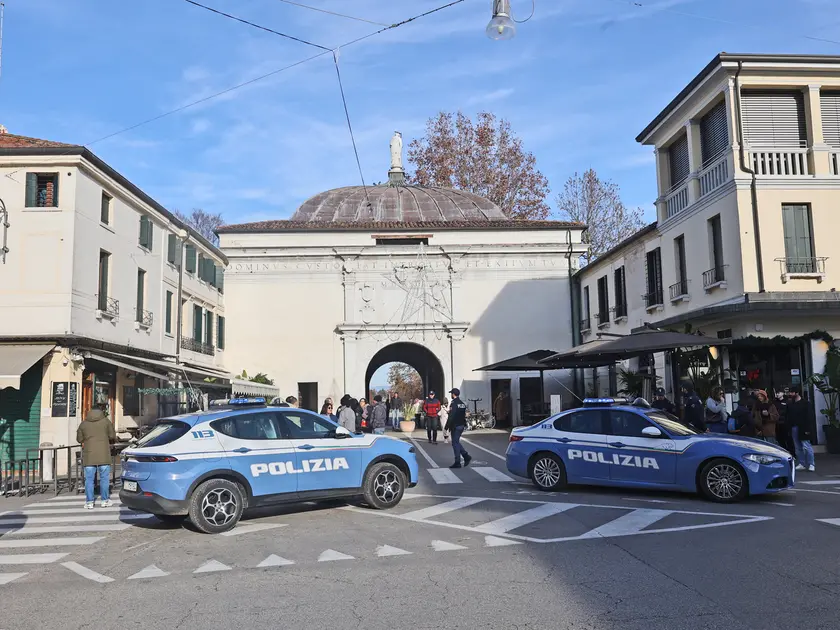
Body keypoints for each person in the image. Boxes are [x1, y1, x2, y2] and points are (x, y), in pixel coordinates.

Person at [76, 404, 116, 509]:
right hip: (104, 454)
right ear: (101, 411)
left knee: (89, 480)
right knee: (104, 478)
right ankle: (105, 500)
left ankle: (89, 502)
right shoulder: (106, 422)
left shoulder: (83, 424)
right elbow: (112, 436)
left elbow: (79, 439)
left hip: (89, 455)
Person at [788, 387, 815, 472]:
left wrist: (808, 429)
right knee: (797, 447)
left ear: (797, 393)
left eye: (792, 392)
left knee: (806, 446)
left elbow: (809, 417)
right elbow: (788, 417)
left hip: (803, 427)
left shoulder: (806, 403)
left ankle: (811, 464)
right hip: (794, 427)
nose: (790, 394)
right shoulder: (791, 404)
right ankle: (802, 463)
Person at [445, 388, 471, 469]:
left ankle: (458, 461)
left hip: (455, 426)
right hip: (461, 425)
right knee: (456, 442)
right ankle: (465, 456)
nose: (451, 395)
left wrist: (446, 427)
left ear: (453, 394)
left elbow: (451, 416)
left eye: (451, 393)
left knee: (455, 443)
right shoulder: (462, 403)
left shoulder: (454, 403)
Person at [773, 389, 792, 453]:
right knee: (780, 440)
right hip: (777, 424)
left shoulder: (788, 402)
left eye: (779, 392)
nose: (777, 394)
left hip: (785, 423)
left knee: (788, 439)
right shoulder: (775, 402)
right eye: (777, 393)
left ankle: (792, 453)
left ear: (783, 393)